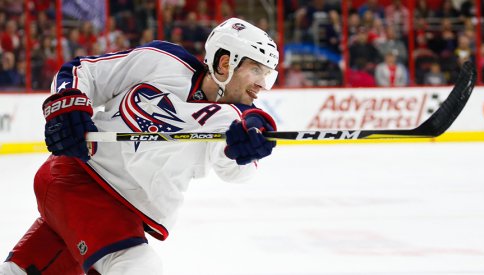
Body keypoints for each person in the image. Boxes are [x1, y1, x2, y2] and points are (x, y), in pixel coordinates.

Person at [0, 17, 279, 275]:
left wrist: (245, 149)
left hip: (116, 212)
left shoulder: (234, 120)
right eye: (256, 69)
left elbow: (238, 169)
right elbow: (84, 71)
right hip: (78, 179)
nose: (262, 85)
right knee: (137, 267)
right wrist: (69, 105)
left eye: (268, 74)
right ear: (225, 62)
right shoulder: (162, 61)